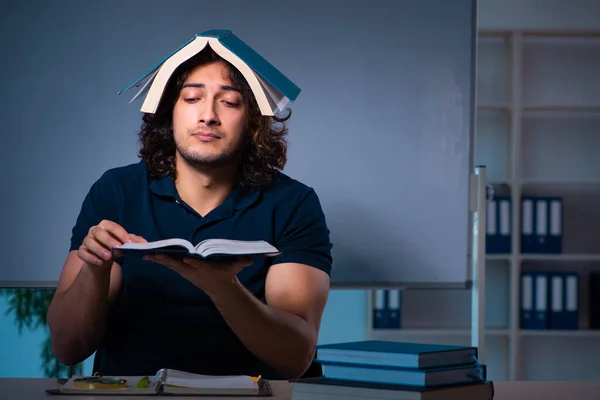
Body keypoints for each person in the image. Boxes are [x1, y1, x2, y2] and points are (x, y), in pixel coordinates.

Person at [46, 44, 333, 380]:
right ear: (169, 111)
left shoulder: (293, 203)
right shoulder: (116, 191)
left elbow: (295, 358)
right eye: (192, 98)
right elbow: (67, 349)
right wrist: (95, 269)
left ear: (253, 122)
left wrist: (223, 288)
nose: (208, 115)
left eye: (229, 102)